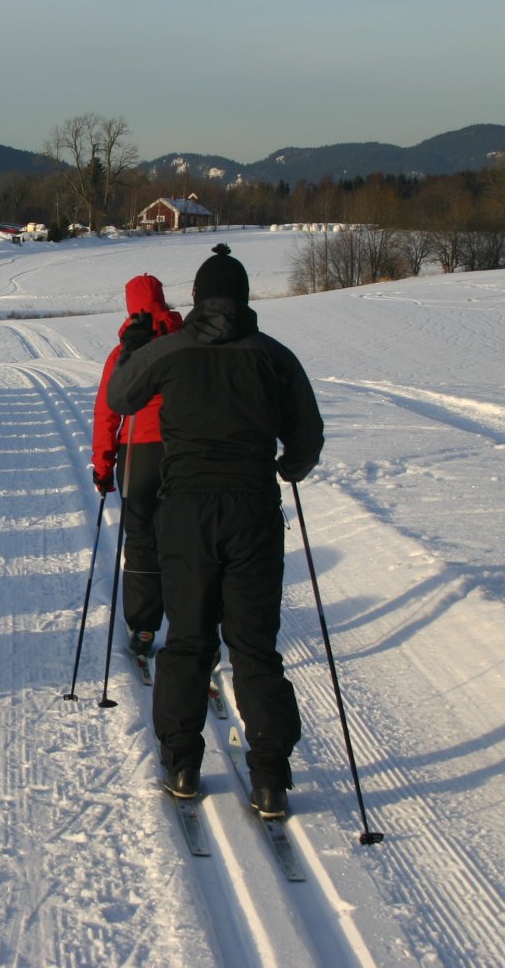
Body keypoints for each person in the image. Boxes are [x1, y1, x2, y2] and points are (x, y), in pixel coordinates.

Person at [106, 243, 324, 819]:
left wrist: (132, 348)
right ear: (245, 298)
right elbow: (307, 438)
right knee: (253, 646)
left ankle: (182, 763)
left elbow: (121, 397)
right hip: (253, 510)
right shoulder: (273, 356)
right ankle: (270, 778)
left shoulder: (170, 350)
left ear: (198, 298)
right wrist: (288, 466)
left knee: (189, 639)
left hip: (186, 511)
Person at [91, 274, 183, 658]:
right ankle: (191, 627)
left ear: (131, 307)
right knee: (185, 541)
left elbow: (107, 413)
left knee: (142, 540)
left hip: (138, 454)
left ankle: (144, 627)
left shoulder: (123, 352)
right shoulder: (186, 341)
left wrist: (102, 464)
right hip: (183, 450)